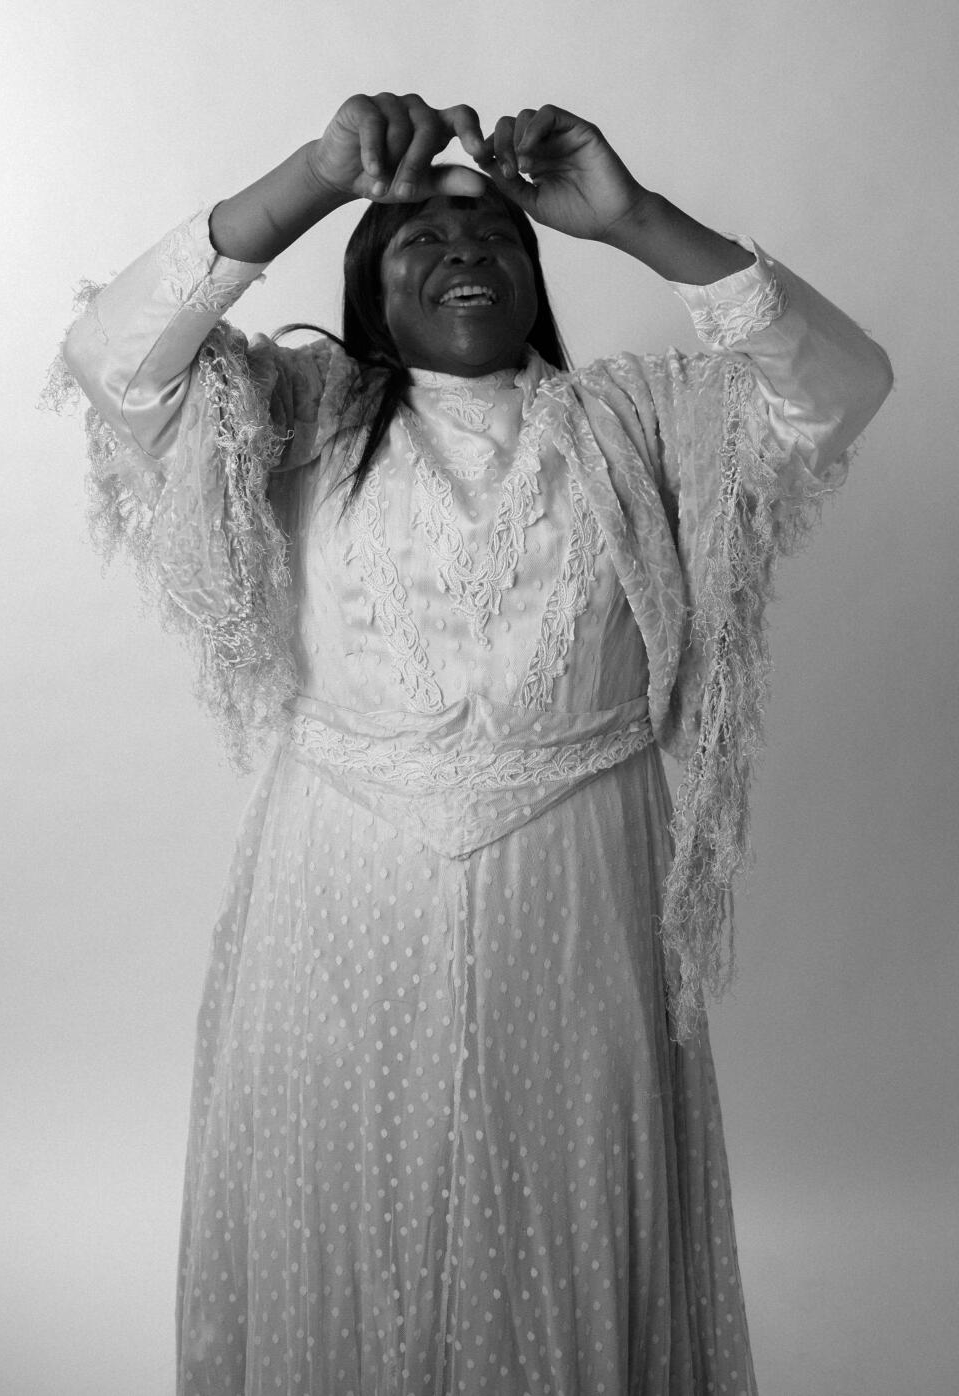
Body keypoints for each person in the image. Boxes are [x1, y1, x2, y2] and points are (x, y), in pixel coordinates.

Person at [49, 92, 892, 1393]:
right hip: (338, 900)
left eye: (497, 232)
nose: (464, 250)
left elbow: (842, 385)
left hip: (582, 896)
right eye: (418, 236)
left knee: (561, 1196)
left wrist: (635, 218)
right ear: (366, 285)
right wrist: (319, 177)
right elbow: (117, 360)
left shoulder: (643, 422)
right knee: (349, 1193)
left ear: (537, 274)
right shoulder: (299, 414)